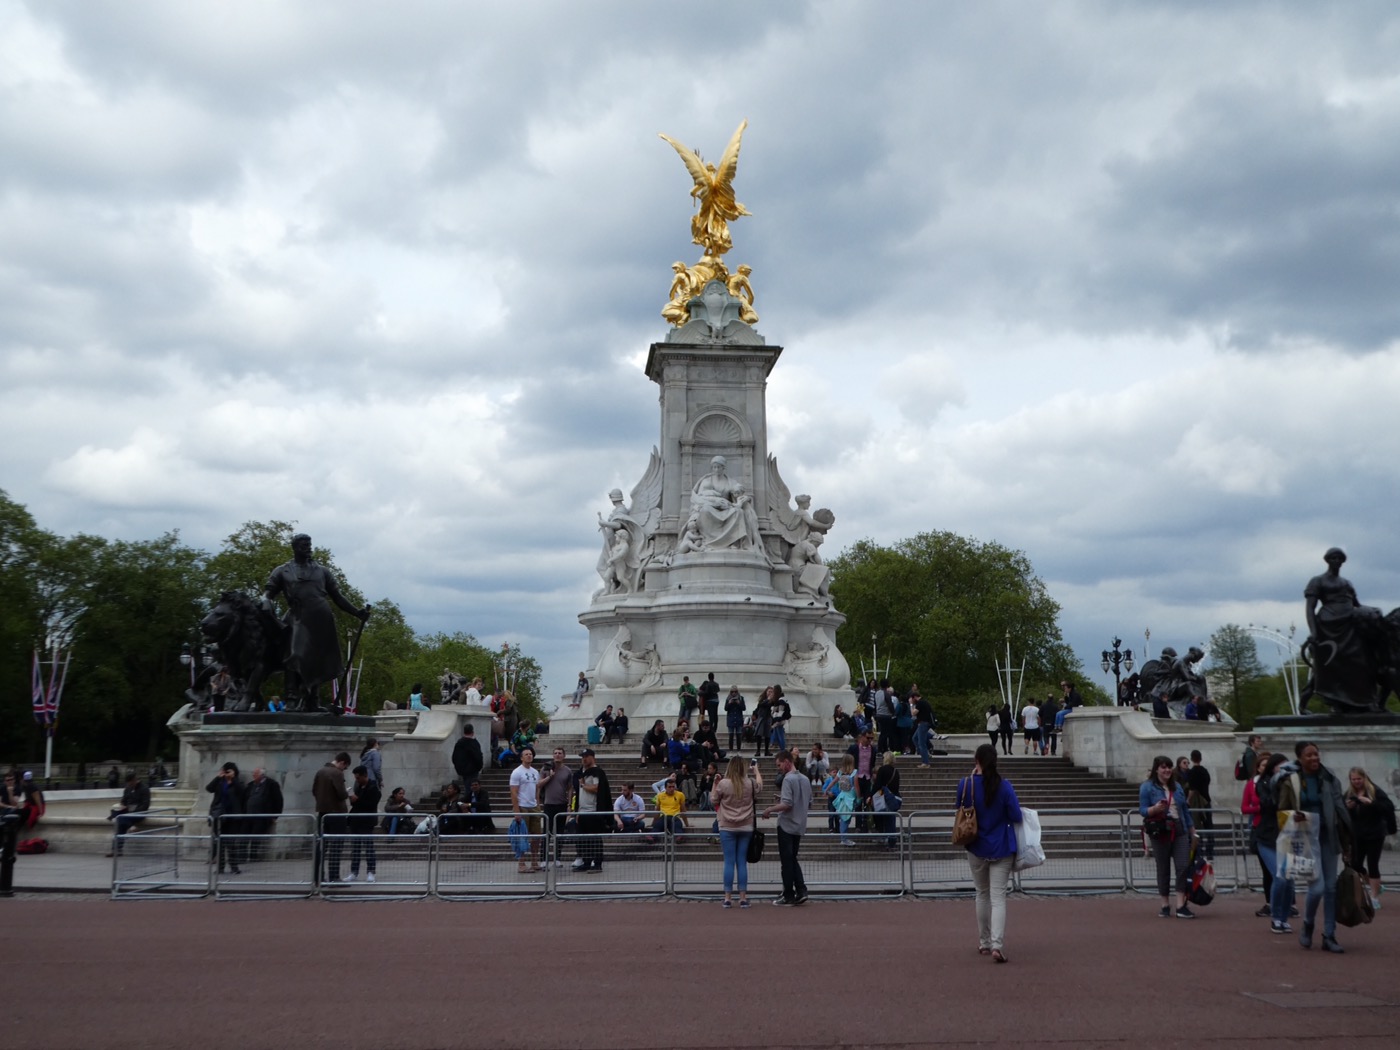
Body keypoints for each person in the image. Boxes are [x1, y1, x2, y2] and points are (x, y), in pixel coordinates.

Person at [262, 532, 370, 709]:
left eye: (310, 544)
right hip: (297, 616)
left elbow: (337, 597)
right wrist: (265, 601)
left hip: (320, 618)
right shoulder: (282, 571)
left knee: (317, 660)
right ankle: (291, 698)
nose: (308, 548)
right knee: (294, 655)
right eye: (304, 545)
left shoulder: (322, 571)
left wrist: (357, 613)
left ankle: (313, 700)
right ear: (295, 547)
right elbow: (268, 593)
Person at [1274, 741, 1352, 952]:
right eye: (1309, 755)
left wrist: (1347, 841)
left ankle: (1329, 934)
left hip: (1328, 836)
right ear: (1300, 758)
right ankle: (1308, 923)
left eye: (1316, 754)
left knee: (1331, 888)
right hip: (1306, 839)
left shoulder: (1329, 779)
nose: (1314, 758)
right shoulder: (1292, 781)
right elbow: (1282, 811)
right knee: (1316, 888)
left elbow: (1340, 809)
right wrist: (1294, 816)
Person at [959, 744, 1023, 962]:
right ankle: (997, 943)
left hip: (975, 844)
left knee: (981, 893)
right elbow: (1016, 815)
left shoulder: (966, 784)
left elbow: (959, 807)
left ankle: (984, 942)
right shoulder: (1004, 786)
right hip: (1001, 847)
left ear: (976, 760)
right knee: (998, 897)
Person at [1139, 755, 1197, 919]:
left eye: (1169, 767)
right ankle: (1165, 903)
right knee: (1163, 867)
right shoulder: (1147, 787)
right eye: (1163, 767)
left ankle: (1180, 904)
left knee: (1182, 865)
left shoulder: (1177, 786)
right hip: (1161, 830)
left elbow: (1184, 810)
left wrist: (1192, 830)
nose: (1167, 770)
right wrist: (1154, 809)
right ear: (1156, 769)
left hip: (1179, 828)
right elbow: (1142, 809)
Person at [711, 755, 763, 908]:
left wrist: (715, 784)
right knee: (741, 862)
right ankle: (743, 897)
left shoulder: (724, 783)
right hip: (746, 826)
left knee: (728, 861)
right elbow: (760, 786)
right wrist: (757, 771)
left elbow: (713, 800)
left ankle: (727, 897)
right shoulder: (749, 783)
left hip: (727, 826)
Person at [1255, 752, 1296, 933]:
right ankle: (1276, 917)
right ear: (1273, 767)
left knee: (1289, 880)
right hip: (1267, 837)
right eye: (1281, 765)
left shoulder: (1292, 783)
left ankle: (1284, 917)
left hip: (1287, 835)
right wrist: (1278, 784)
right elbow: (1269, 804)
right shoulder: (1264, 784)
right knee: (1279, 876)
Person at [764, 750, 812, 906]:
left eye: (779, 765)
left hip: (787, 824)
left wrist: (770, 809)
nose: (779, 768)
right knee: (792, 858)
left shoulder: (787, 779)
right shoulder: (805, 779)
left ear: (786, 762)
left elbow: (787, 804)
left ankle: (788, 894)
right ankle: (801, 889)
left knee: (786, 860)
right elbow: (805, 800)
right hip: (799, 823)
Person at [1345, 766, 1395, 910]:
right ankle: (1375, 886)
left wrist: (1370, 803)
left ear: (1364, 778)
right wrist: (1348, 806)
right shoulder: (1349, 793)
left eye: (1359, 779)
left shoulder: (1375, 791)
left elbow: (1388, 807)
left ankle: (1374, 896)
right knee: (1355, 864)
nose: (1356, 782)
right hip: (1357, 834)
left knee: (1373, 864)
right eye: (1353, 779)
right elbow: (1341, 810)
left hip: (1375, 833)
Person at [1239, 751, 1275, 916]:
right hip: (1260, 828)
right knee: (1267, 871)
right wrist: (1261, 808)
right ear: (1258, 768)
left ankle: (1289, 903)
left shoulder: (1279, 783)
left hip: (1278, 829)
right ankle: (1269, 903)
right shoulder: (1252, 784)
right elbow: (1244, 808)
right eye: (1263, 765)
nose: (1266, 768)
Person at [573, 748, 617, 873]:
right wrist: (577, 811)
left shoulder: (597, 772)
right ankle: (586, 861)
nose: (584, 759)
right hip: (582, 810)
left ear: (593, 757)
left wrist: (583, 785)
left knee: (595, 838)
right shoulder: (581, 772)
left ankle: (597, 863)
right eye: (582, 757)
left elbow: (597, 788)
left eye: (586, 756)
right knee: (584, 838)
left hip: (593, 810)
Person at [313, 752, 351, 883]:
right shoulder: (337, 773)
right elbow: (341, 794)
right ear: (342, 762)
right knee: (336, 845)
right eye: (345, 767)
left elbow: (314, 791)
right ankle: (334, 876)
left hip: (322, 812)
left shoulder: (320, 771)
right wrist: (347, 793)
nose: (344, 770)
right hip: (336, 813)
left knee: (321, 845)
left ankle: (318, 876)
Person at [206, 762, 245, 876]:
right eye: (225, 771)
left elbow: (243, 792)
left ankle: (234, 866)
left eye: (228, 771)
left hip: (232, 816)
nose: (226, 773)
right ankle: (220, 867)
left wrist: (233, 779)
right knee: (220, 843)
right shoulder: (220, 782)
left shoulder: (237, 783)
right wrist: (218, 777)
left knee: (231, 843)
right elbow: (209, 788)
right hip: (219, 816)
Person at [538, 746, 574, 868]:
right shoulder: (546, 768)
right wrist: (549, 776)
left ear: (564, 756)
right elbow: (539, 784)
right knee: (546, 832)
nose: (557, 755)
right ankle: (543, 858)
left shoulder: (567, 771)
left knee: (559, 833)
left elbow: (570, 788)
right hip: (548, 804)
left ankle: (557, 858)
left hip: (562, 804)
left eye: (560, 753)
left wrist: (569, 804)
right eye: (555, 753)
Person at [509, 746, 543, 873]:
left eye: (531, 754)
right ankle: (521, 863)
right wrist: (516, 810)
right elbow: (513, 792)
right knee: (523, 835)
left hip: (533, 806)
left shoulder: (535, 772)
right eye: (526, 754)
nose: (529, 756)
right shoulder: (517, 772)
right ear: (521, 757)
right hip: (522, 806)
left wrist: (538, 804)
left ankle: (534, 861)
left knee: (537, 836)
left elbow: (537, 789)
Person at [345, 764, 380, 883]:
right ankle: (354, 872)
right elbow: (357, 804)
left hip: (366, 821)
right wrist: (353, 800)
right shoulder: (359, 786)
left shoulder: (373, 787)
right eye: (356, 778)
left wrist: (357, 800)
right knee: (355, 847)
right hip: (356, 820)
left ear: (365, 775)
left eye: (358, 777)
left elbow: (370, 805)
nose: (357, 780)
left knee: (368, 847)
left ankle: (371, 872)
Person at [242, 767, 284, 862]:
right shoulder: (251, 785)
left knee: (255, 838)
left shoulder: (271, 785)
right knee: (244, 836)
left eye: (255, 774)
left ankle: (253, 857)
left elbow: (278, 800)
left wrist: (275, 816)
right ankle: (242, 857)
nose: (253, 775)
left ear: (262, 775)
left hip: (261, 817)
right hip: (248, 816)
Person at [105, 772, 150, 857]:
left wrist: (133, 812)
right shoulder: (128, 788)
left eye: (131, 783)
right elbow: (124, 800)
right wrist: (122, 805)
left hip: (138, 813)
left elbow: (145, 804)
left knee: (120, 819)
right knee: (116, 812)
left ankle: (116, 849)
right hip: (127, 812)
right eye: (128, 784)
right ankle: (131, 827)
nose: (129, 785)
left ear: (135, 780)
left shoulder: (144, 789)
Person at [847, 730, 878, 831]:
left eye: (871, 738)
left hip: (867, 777)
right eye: (868, 738)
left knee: (867, 801)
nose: (870, 740)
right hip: (857, 777)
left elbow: (872, 763)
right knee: (858, 801)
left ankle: (866, 823)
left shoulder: (873, 749)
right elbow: (847, 760)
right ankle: (858, 825)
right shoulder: (854, 748)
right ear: (862, 737)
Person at [1186, 750, 1214, 860]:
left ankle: (1199, 850)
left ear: (1192, 759)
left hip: (1197, 803)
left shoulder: (1192, 772)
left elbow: (1192, 789)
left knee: (1197, 826)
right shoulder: (1205, 771)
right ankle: (1210, 851)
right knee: (1209, 825)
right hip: (1206, 800)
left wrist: (1188, 799)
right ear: (1200, 758)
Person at [872, 751, 902, 848]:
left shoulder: (882, 770)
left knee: (886, 819)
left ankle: (888, 839)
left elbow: (878, 785)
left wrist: (870, 795)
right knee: (891, 819)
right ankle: (891, 840)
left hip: (887, 798)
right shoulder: (895, 771)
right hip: (895, 798)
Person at [648, 774, 689, 842]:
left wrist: (687, 824)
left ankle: (679, 837)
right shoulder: (660, 796)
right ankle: (652, 836)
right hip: (664, 816)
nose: (672, 789)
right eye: (669, 787)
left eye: (673, 787)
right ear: (665, 788)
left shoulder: (680, 795)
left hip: (675, 817)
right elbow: (657, 811)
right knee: (658, 825)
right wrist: (653, 823)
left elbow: (683, 810)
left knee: (678, 826)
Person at [452, 723, 484, 790]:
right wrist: (479, 766)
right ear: (472, 732)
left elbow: (454, 757)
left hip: (463, 770)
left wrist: (459, 768)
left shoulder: (459, 743)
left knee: (467, 787)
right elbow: (478, 757)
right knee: (472, 788)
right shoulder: (474, 743)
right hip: (473, 770)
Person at [912, 689, 935, 766]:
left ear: (914, 697)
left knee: (921, 743)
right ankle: (925, 754)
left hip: (923, 723)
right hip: (925, 723)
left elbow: (913, 713)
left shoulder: (920, 703)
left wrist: (911, 705)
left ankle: (925, 762)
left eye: (912, 699)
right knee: (915, 738)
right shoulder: (924, 702)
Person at [768, 686, 791, 752]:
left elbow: (780, 712)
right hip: (777, 721)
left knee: (780, 736)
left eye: (773, 691)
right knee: (777, 735)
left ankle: (782, 750)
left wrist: (776, 720)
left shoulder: (781, 701)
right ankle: (776, 745)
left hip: (779, 721)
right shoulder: (777, 700)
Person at [753, 687, 774, 757]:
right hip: (761, 717)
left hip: (768, 718)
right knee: (759, 734)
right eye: (769, 691)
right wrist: (768, 700)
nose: (770, 693)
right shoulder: (763, 699)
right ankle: (758, 750)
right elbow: (761, 705)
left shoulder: (773, 701)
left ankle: (766, 750)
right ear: (766, 692)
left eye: (771, 692)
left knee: (767, 735)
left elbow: (772, 706)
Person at [724, 686, 747, 752]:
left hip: (738, 719)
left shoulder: (741, 698)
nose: (734, 693)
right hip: (731, 719)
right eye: (732, 692)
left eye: (735, 692)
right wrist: (729, 703)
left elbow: (743, 708)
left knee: (739, 735)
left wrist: (739, 703)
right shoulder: (728, 698)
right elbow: (725, 708)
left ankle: (738, 750)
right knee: (731, 736)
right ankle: (731, 750)